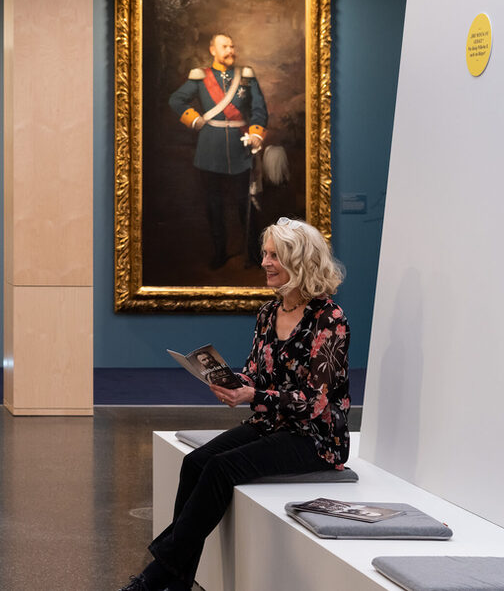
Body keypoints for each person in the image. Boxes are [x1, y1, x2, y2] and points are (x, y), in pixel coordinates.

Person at [118, 217, 350, 591]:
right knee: (195, 463)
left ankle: (158, 575)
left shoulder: (330, 320)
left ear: (299, 261)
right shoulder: (267, 313)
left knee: (220, 469)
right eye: (265, 253)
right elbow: (257, 374)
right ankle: (178, 580)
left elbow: (316, 402)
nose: (265, 262)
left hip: (315, 438)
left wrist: (253, 396)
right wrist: (232, 383)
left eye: (274, 255)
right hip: (269, 424)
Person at [169, 33, 269, 270]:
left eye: (232, 46)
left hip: (239, 148)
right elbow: (176, 100)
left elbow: (259, 108)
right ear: (213, 50)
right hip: (209, 149)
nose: (230, 50)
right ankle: (219, 252)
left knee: (246, 204)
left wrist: (255, 133)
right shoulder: (200, 76)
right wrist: (193, 119)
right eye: (225, 46)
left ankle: (254, 255)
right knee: (213, 205)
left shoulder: (245, 76)